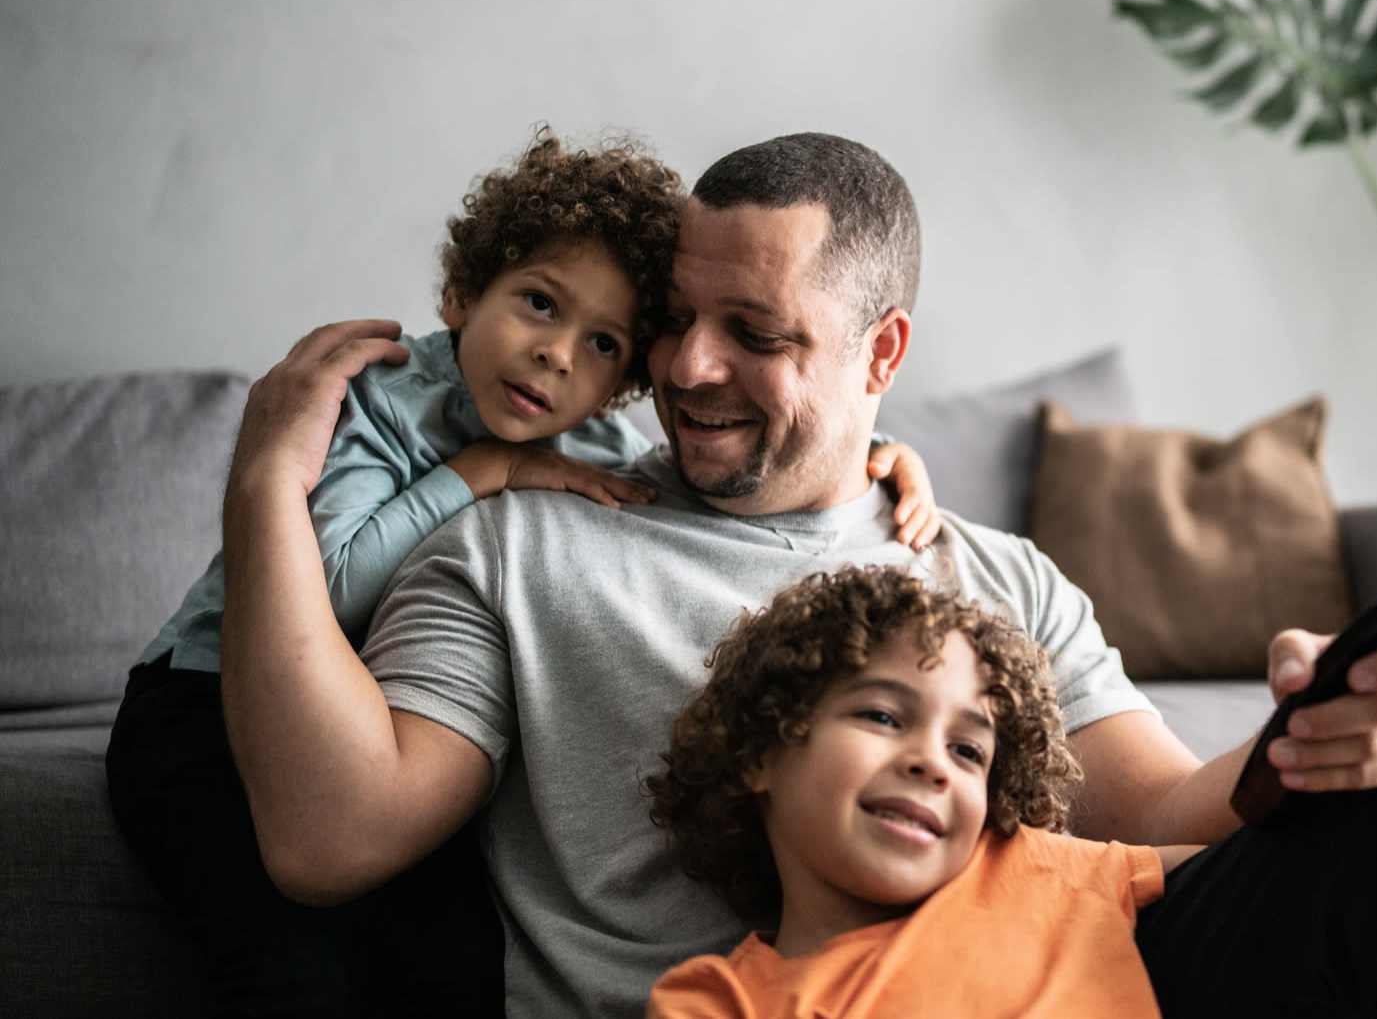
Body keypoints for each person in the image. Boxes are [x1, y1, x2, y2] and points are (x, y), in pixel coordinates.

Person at [217, 131, 1377, 1018]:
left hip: (1059, 993)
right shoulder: (523, 541)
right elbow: (326, 838)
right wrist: (263, 484)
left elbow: (1159, 811)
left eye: (755, 333)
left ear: (880, 356)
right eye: (679, 321)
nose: (685, 368)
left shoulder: (985, 569)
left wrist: (1331, 755)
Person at [103, 129, 940, 1018]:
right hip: (201, 705)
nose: (558, 355)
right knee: (283, 967)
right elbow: (328, 584)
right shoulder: (382, 406)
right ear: (465, 292)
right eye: (539, 304)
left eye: (607, 344)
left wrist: (880, 455)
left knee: (459, 949)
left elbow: (741, 455)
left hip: (355, 710)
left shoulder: (581, 434)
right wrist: (474, 476)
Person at [644, 564, 1195, 1016]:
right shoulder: (719, 1004)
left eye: (968, 752)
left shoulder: (1036, 866)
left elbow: (1260, 859)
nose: (933, 763)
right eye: (883, 717)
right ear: (760, 751)